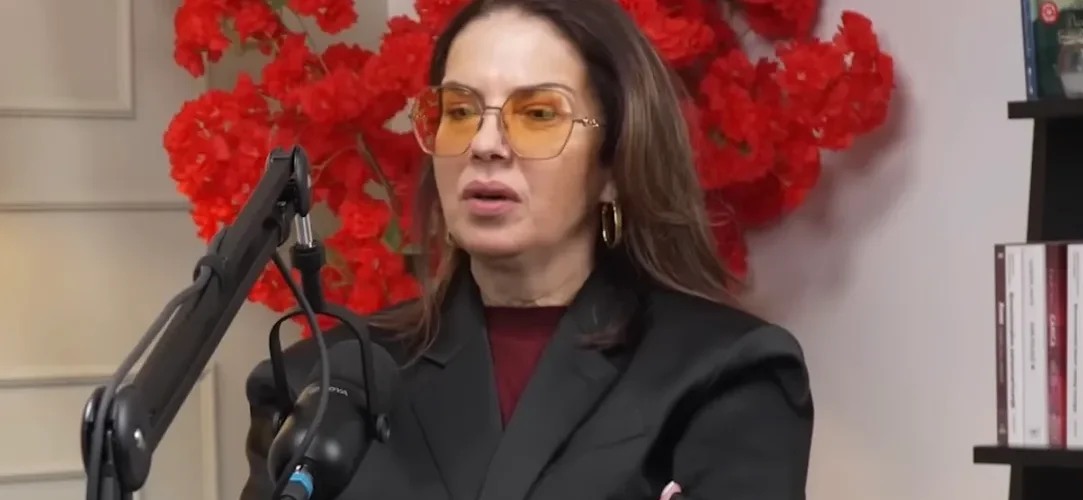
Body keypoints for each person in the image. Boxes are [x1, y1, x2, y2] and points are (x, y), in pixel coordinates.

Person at [239, 0, 814, 498]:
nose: (485, 143)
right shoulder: (325, 384)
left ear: (613, 165)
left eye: (537, 114)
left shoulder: (725, 374)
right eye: (460, 112)